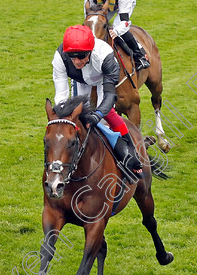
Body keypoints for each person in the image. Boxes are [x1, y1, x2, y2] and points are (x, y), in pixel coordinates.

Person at [52, 25, 144, 178]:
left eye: (81, 56)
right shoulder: (60, 57)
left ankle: (130, 152)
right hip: (79, 80)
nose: (76, 61)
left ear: (90, 51)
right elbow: (61, 95)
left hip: (102, 78)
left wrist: (98, 115)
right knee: (75, 114)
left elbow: (109, 97)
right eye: (72, 57)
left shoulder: (105, 55)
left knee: (105, 115)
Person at [83, 0, 150, 71]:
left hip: (122, 4)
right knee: (97, 25)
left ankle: (140, 56)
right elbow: (89, 17)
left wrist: (116, 31)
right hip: (104, 6)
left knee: (117, 28)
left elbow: (125, 23)